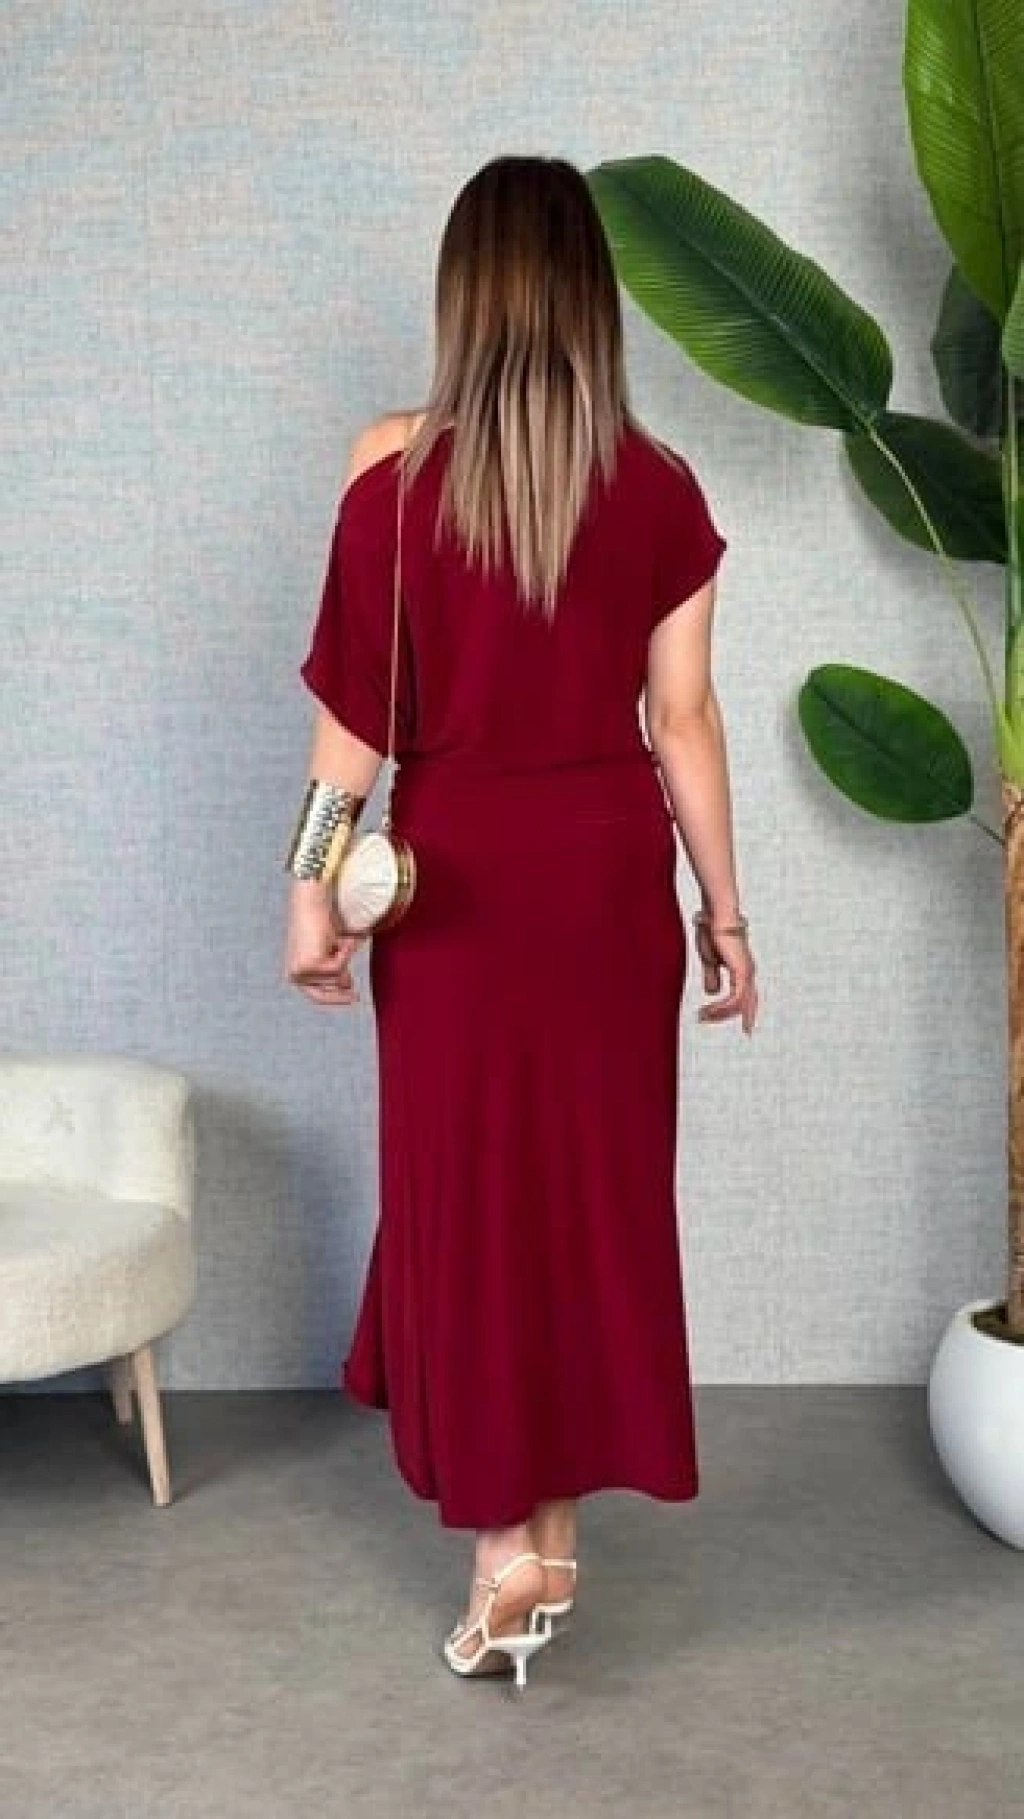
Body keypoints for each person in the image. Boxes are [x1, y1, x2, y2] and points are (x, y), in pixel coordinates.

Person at [283, 153, 759, 1689]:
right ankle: (545, 1538)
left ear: (464, 296)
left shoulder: (387, 475)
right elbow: (684, 721)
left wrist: (308, 890)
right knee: (581, 1204)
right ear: (593, 300)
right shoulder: (661, 487)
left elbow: (351, 734)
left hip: (461, 890)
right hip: (607, 885)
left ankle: (507, 1552)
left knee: (476, 1204)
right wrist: (726, 912)